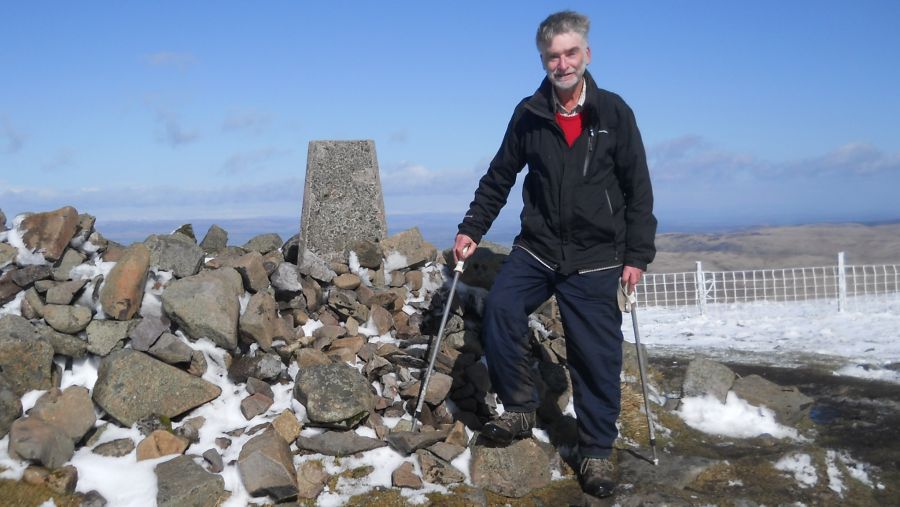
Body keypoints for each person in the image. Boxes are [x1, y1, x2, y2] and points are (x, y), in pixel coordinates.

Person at [453, 10, 657, 499]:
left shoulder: (613, 113)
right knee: (501, 307)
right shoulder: (530, 113)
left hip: (597, 257)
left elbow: (638, 189)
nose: (562, 63)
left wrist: (637, 254)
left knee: (596, 356)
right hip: (540, 248)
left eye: (570, 53)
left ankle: (595, 453)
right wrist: (471, 229)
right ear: (543, 60)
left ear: (586, 54)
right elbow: (500, 176)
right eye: (553, 56)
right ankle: (521, 408)